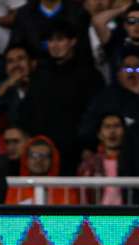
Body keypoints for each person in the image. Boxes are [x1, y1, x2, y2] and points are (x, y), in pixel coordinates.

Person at [18, 20, 105, 176]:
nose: (54, 45)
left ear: (73, 41)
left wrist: (88, 146)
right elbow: (28, 110)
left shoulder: (90, 75)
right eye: (50, 41)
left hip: (75, 154)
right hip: (42, 154)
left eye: (60, 39)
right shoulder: (39, 75)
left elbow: (96, 113)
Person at [5, 135, 78, 205]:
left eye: (45, 156)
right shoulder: (15, 189)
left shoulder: (66, 190)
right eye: (34, 155)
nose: (39, 160)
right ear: (26, 159)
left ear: (53, 160)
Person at [0, 44, 36, 129]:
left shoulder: (44, 85)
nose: (16, 65)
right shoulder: (4, 88)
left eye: (21, 59)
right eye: (10, 61)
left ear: (33, 63)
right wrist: (5, 86)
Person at [77, 114, 128, 205]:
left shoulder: (134, 163)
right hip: (99, 217)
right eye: (107, 127)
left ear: (124, 131)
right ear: (99, 134)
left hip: (127, 217)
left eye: (117, 126)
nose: (112, 131)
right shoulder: (89, 165)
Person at [92, 2, 139, 80]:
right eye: (131, 21)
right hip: (119, 90)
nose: (137, 26)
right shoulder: (115, 41)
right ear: (125, 25)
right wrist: (123, 9)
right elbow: (98, 21)